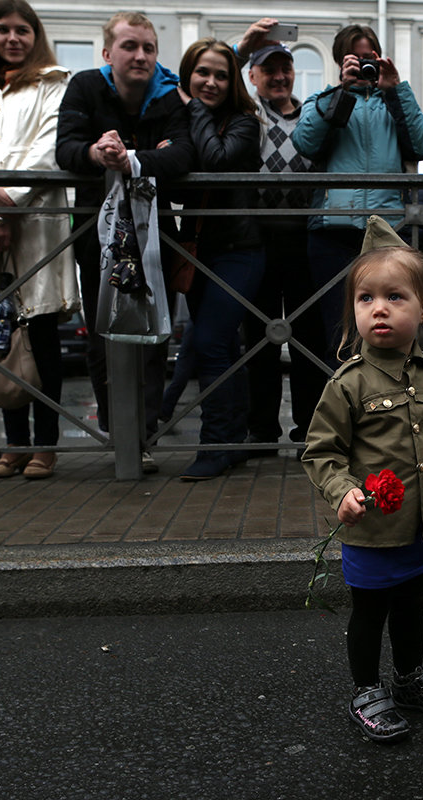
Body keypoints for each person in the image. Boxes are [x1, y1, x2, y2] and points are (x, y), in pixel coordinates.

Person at [302, 217, 423, 744]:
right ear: (354, 310)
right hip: (371, 528)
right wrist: (343, 491)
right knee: (370, 612)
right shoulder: (347, 383)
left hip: (422, 524)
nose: (379, 308)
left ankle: (407, 679)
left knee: (412, 606)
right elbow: (322, 451)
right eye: (366, 298)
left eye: (395, 297)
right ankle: (366, 689)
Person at [55, 11, 194, 473]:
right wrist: (97, 153)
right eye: (130, 46)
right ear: (107, 53)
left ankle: (146, 434)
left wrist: (131, 159)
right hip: (99, 232)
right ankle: (119, 434)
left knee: (155, 333)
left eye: (148, 48)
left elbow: (183, 153)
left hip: (156, 231)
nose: (140, 56)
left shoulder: (168, 96)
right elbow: (66, 149)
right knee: (102, 333)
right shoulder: (84, 87)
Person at [0, 0, 80, 480]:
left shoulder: (52, 82)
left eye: (22, 30)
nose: (13, 39)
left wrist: (11, 193)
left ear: (36, 35)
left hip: (36, 222)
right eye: (3, 30)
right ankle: (13, 444)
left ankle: (45, 446)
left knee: (41, 334)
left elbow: (48, 145)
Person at [292, 24, 423, 364]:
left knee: (386, 331)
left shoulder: (393, 100)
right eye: (356, 57)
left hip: (386, 232)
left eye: (370, 56)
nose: (365, 63)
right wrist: (342, 89)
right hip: (332, 231)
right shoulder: (325, 98)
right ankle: (343, 410)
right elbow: (306, 142)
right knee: (336, 332)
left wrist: (397, 88)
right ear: (342, 61)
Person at [172, 38, 263, 481]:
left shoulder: (245, 122)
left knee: (208, 342)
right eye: (202, 72)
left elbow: (215, 159)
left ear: (233, 82)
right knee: (223, 346)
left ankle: (214, 446)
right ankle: (237, 439)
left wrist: (193, 110)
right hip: (197, 250)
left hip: (241, 250)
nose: (211, 82)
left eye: (221, 75)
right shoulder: (181, 118)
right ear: (188, 73)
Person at [235, 25, 326, 450]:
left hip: (303, 239)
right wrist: (242, 49)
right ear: (252, 76)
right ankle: (261, 430)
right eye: (268, 69)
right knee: (259, 337)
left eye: (285, 68)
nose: (279, 76)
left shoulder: (310, 116)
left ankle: (310, 426)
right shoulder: (247, 115)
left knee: (310, 338)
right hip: (259, 238)